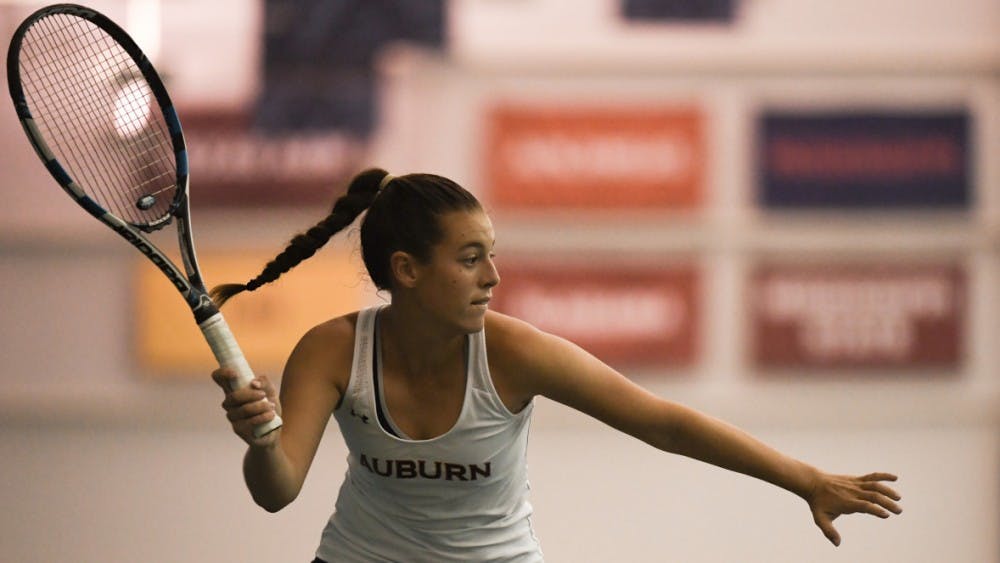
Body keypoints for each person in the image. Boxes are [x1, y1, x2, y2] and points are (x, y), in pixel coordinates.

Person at [210, 168, 902, 562]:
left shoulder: (513, 353)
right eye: (471, 258)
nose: (494, 277)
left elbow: (663, 422)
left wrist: (807, 479)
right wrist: (261, 439)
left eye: (492, 254)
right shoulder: (331, 350)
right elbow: (275, 490)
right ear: (407, 270)